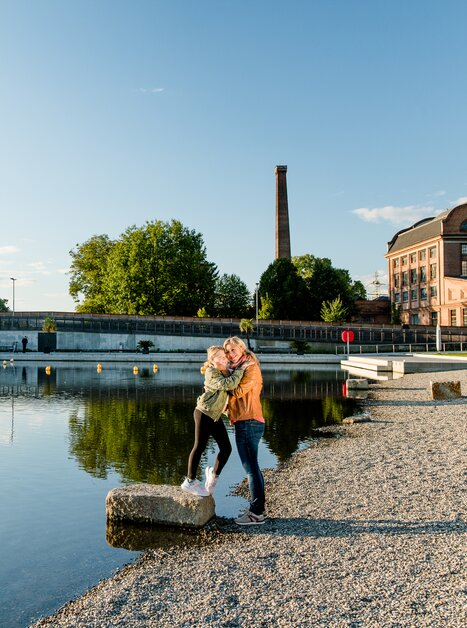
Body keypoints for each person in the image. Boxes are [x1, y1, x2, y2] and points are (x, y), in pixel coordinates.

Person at [181, 345, 247, 497]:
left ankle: (213, 475)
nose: (224, 359)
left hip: (215, 416)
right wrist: (240, 371)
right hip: (203, 413)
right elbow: (228, 384)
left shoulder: (225, 371)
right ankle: (189, 481)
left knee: (226, 448)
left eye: (225, 356)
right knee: (199, 446)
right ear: (211, 360)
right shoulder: (211, 372)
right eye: (219, 357)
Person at [223, 336, 266, 525]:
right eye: (227, 352)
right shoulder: (239, 369)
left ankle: (256, 513)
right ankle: (258, 509)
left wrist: (220, 374)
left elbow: (237, 391)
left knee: (250, 469)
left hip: (249, 421)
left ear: (241, 348)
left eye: (233, 350)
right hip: (244, 421)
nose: (230, 354)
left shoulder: (250, 368)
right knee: (253, 467)